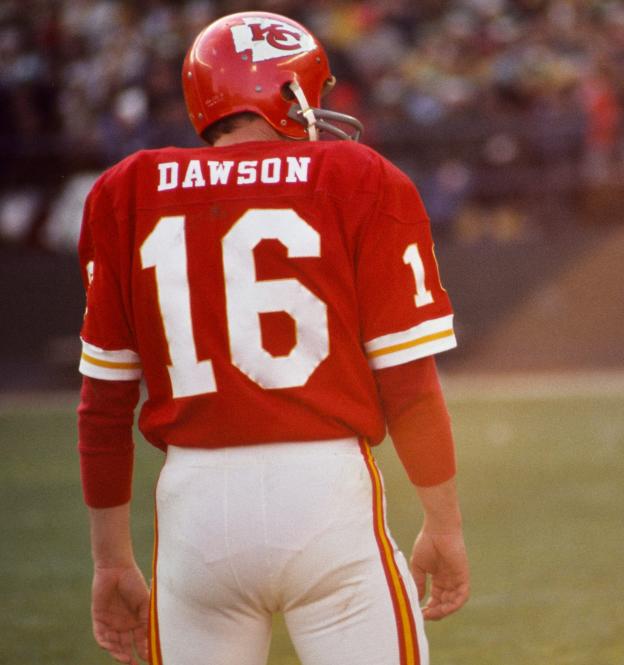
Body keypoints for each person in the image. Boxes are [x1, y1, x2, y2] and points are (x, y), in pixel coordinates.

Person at [76, 11, 469, 665]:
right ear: (286, 93)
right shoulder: (357, 176)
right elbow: (407, 383)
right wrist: (445, 521)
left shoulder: (125, 191)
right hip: (325, 495)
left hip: (194, 511)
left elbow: (104, 403)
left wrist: (110, 559)